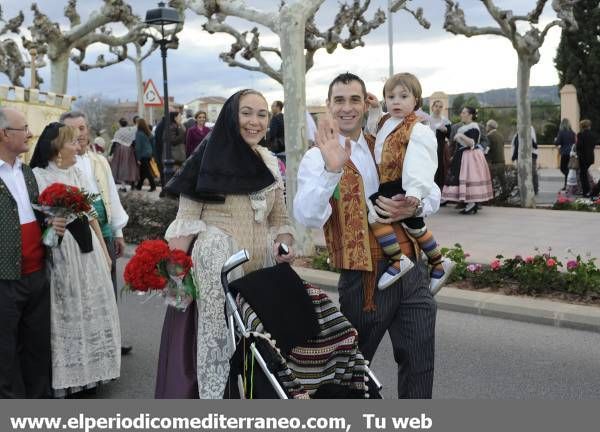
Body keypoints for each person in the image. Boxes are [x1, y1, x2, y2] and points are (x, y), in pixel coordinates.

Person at [294, 73, 439, 398]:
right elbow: (306, 214)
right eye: (339, 100)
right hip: (363, 280)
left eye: (354, 99)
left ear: (366, 103)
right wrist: (332, 170)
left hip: (413, 269)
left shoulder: (389, 139)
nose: (347, 108)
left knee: (419, 365)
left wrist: (413, 207)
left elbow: (433, 192)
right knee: (351, 372)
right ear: (329, 106)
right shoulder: (317, 156)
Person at [156, 89, 296, 399]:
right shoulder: (207, 156)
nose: (254, 122)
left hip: (260, 272)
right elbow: (186, 221)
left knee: (258, 354)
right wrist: (176, 279)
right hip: (218, 270)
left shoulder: (270, 161)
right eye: (247, 113)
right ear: (232, 116)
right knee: (221, 352)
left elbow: (280, 219)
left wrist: (284, 244)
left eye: (262, 115)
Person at [30, 122, 120, 397]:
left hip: (87, 246)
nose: (77, 146)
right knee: (67, 306)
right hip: (61, 248)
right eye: (71, 142)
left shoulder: (78, 171)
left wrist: (105, 253)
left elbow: (90, 213)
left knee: (92, 303)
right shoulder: (38, 175)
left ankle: (92, 374)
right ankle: (69, 376)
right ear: (57, 148)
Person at [364, 73, 454, 295]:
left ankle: (397, 259)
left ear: (416, 100)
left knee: (376, 215)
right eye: (390, 96)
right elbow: (373, 130)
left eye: (403, 96)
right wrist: (376, 109)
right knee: (414, 226)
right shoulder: (388, 121)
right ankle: (439, 262)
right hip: (392, 180)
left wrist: (414, 189)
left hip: (402, 183)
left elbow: (420, 161)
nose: (396, 101)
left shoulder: (417, 128)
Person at [0, 108, 67, 398]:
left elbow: (32, 217)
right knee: (5, 354)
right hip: (5, 279)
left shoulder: (26, 172)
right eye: (23, 128)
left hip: (37, 273)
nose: (29, 134)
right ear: (4, 134)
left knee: (38, 349)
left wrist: (52, 223)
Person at [60, 111, 131, 355]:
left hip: (105, 228)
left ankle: (112, 337)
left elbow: (110, 194)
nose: (81, 133)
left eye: (83, 127)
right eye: (74, 129)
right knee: (88, 290)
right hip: (80, 234)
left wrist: (118, 231)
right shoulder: (61, 162)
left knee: (109, 285)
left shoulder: (98, 161)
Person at [442, 107, 494, 214]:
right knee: (464, 178)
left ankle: (472, 203)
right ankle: (469, 203)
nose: (461, 114)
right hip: (463, 154)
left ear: (470, 115)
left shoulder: (473, 127)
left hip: (470, 156)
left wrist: (460, 136)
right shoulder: (465, 127)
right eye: (462, 112)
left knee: (470, 177)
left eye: (464, 112)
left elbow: (472, 143)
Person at [109, 118, 138, 191]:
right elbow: (134, 142)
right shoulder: (130, 131)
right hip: (130, 150)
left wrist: (110, 154)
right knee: (130, 167)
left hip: (120, 151)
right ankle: (132, 185)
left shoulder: (118, 132)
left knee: (121, 167)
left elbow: (114, 143)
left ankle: (123, 186)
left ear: (120, 124)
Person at [429, 100, 451, 189]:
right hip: (428, 147)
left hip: (440, 148)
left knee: (440, 168)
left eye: (440, 107)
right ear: (432, 107)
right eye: (436, 106)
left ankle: (439, 190)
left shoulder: (445, 121)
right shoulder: (427, 120)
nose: (438, 108)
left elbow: (449, 135)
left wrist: (445, 130)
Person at [511, 125, 539, 195]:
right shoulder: (530, 129)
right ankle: (534, 189)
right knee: (532, 172)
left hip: (526, 155)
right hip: (532, 154)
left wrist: (513, 157)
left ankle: (525, 190)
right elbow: (535, 144)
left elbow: (517, 145)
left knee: (525, 173)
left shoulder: (525, 130)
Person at [134, 118, 156, 192]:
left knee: (146, 171)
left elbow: (138, 147)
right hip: (149, 153)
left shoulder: (138, 133)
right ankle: (139, 186)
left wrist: (138, 158)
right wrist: (152, 153)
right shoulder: (148, 132)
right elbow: (153, 141)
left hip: (143, 154)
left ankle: (153, 186)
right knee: (143, 171)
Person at [485, 119, 506, 197]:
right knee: (503, 182)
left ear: (490, 127)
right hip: (502, 161)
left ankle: (491, 198)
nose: (485, 127)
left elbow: (486, 150)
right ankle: (504, 196)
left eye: (486, 125)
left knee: (489, 182)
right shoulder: (501, 135)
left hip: (493, 163)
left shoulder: (489, 136)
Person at [576, 119, 597, 197]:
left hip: (582, 157)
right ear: (589, 126)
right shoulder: (593, 134)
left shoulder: (580, 134)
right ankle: (589, 190)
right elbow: (593, 145)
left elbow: (579, 146)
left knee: (583, 175)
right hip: (590, 157)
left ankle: (586, 191)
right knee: (585, 173)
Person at [555, 119, 576, 190]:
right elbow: (575, 142)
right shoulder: (572, 132)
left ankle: (567, 184)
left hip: (564, 153)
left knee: (563, 168)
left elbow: (558, 142)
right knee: (568, 169)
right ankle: (567, 184)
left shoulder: (561, 132)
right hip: (571, 153)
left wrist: (555, 141)